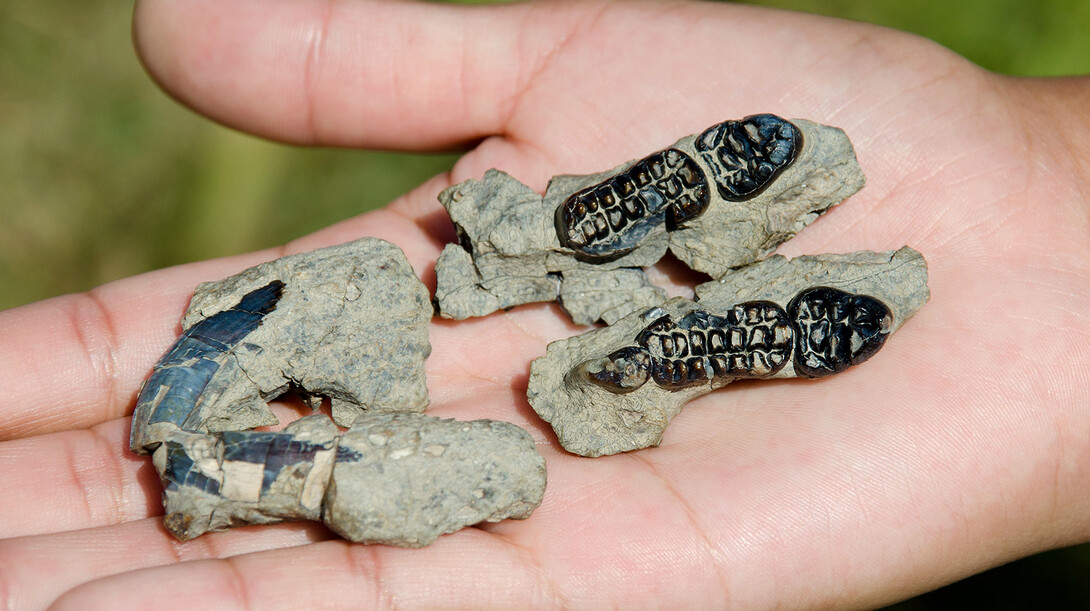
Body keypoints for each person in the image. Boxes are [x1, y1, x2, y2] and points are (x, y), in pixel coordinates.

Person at [1, 0, 1088, 607]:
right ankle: (650, 309)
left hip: (491, 341)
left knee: (432, 422)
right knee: (401, 436)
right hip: (399, 387)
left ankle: (650, 306)